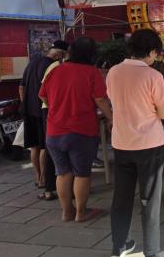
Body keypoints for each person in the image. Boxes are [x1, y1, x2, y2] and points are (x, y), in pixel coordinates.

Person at [107, 29, 164, 257]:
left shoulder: (113, 72)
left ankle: (118, 246)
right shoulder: (153, 76)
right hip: (148, 144)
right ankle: (151, 256)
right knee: (149, 200)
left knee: (121, 198)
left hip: (121, 142)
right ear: (152, 52)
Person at [39, 37, 112, 223]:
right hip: (81, 131)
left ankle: (66, 212)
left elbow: (44, 97)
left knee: (62, 172)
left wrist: (59, 108)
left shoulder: (56, 70)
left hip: (54, 131)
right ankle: (81, 212)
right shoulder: (91, 72)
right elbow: (100, 100)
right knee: (82, 173)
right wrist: (112, 118)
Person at [19, 40, 68, 190]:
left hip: (28, 110)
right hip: (43, 111)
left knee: (34, 146)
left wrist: (25, 104)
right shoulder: (53, 67)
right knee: (44, 147)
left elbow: (21, 87)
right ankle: (44, 180)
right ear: (60, 54)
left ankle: (38, 177)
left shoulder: (32, 63)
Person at [38, 41, 69, 201]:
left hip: (54, 110)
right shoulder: (55, 66)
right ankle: (50, 188)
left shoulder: (56, 65)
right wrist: (54, 106)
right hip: (51, 110)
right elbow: (42, 93)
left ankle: (59, 188)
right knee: (52, 150)